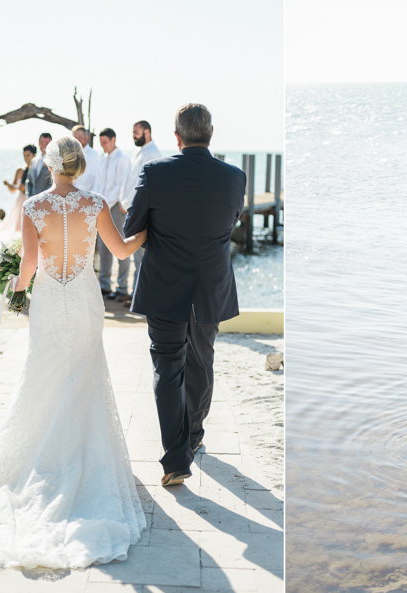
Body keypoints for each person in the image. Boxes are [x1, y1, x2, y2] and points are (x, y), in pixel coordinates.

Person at [0, 136, 148, 569]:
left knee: (43, 377)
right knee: (84, 377)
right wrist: (145, 232)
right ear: (79, 165)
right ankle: (80, 457)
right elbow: (119, 251)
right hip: (83, 303)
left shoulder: (34, 207)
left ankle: (43, 460)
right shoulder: (96, 203)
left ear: (48, 165)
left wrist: (16, 296)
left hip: (48, 301)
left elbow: (27, 266)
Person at [123, 104, 244, 486]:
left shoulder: (156, 172)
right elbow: (231, 223)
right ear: (211, 134)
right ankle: (193, 436)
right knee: (202, 359)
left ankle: (177, 459)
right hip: (211, 285)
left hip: (164, 285)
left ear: (177, 137)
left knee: (167, 366)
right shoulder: (235, 177)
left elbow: (133, 226)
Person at [118, 121, 162, 304]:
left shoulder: (153, 154)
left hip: (141, 212)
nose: (133, 135)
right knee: (137, 257)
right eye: (132, 132)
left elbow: (150, 186)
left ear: (147, 132)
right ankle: (137, 292)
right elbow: (129, 180)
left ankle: (143, 297)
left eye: (136, 132)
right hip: (130, 210)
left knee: (143, 257)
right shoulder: (137, 152)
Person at [96, 128, 132, 299]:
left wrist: (108, 204)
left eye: (105, 142)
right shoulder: (102, 160)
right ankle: (104, 285)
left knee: (121, 247)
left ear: (113, 140)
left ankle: (122, 287)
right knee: (103, 248)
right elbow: (99, 184)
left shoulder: (122, 159)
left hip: (116, 207)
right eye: (101, 143)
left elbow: (121, 185)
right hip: (102, 207)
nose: (103, 145)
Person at [0, 144, 36, 237]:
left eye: (28, 155)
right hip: (20, 201)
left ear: (34, 155)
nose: (26, 158)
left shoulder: (37, 170)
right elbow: (13, 190)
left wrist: (26, 188)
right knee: (18, 228)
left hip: (31, 200)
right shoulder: (20, 171)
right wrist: (8, 184)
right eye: (24, 155)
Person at [71, 125, 102, 193]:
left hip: (86, 197)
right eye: (75, 137)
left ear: (87, 138)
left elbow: (90, 180)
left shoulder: (94, 155)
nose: (77, 140)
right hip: (72, 195)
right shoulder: (70, 155)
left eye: (80, 137)